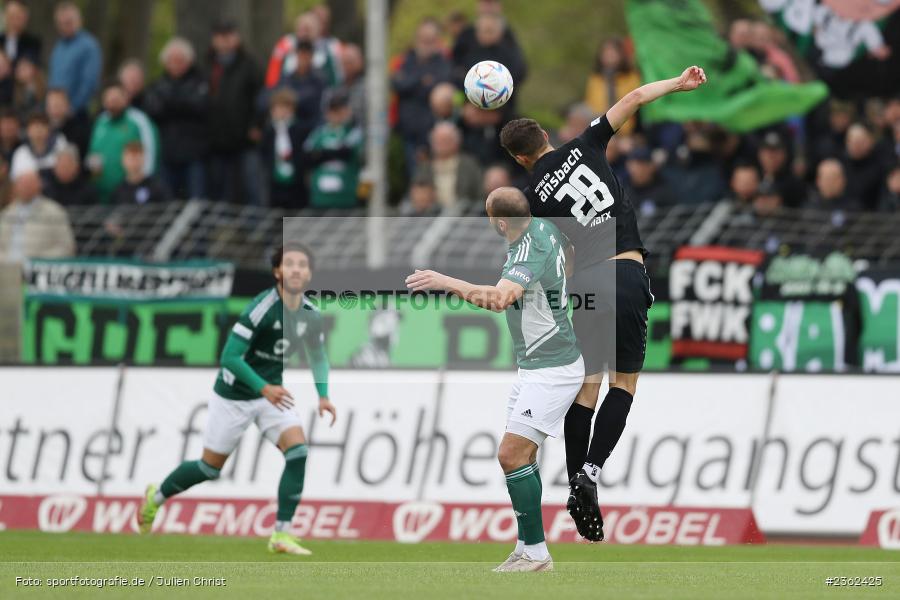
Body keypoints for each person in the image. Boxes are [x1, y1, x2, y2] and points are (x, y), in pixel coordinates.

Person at [498, 65, 707, 541]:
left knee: (586, 386)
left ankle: (573, 476)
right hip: (628, 270)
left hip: (588, 283)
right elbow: (632, 98)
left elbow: (550, 252)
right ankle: (590, 472)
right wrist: (677, 83)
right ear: (547, 136)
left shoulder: (533, 199)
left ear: (518, 157)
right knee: (625, 383)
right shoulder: (586, 143)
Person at [406, 187, 583, 572]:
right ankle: (526, 547)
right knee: (522, 457)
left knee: (510, 454)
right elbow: (569, 256)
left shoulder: (526, 249)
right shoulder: (545, 228)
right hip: (536, 364)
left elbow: (499, 299)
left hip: (553, 368)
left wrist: (444, 281)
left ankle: (537, 554)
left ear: (499, 222)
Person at [138, 242, 337, 556]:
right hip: (234, 396)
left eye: (303, 265)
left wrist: (323, 395)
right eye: (290, 264)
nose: (297, 269)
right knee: (209, 469)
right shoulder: (260, 309)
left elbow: (318, 355)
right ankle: (155, 498)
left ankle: (281, 535)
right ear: (277, 272)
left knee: (298, 451)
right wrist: (263, 388)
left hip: (271, 396)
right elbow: (229, 357)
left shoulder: (310, 315)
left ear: (309, 274)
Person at [144, 37, 209, 200]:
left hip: (194, 154)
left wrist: (170, 104)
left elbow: (199, 107)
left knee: (196, 199)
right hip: (167, 153)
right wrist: (181, 104)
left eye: (180, 60)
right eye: (172, 60)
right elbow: (154, 110)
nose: (176, 64)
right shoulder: (157, 84)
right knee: (167, 199)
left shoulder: (200, 82)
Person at [207, 20, 263, 205]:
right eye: (220, 36)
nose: (224, 41)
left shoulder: (249, 64)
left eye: (228, 35)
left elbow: (260, 98)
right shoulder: (209, 65)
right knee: (219, 187)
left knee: (250, 185)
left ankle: (255, 228)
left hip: (245, 140)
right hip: (216, 141)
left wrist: (257, 124)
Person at [392, 18, 451, 175]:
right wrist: (421, 80)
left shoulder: (444, 63)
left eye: (430, 40)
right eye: (422, 39)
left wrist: (412, 83)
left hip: (434, 134)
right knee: (416, 179)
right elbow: (397, 84)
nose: (425, 44)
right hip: (408, 134)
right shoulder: (405, 60)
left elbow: (441, 86)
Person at [87, 83, 159, 203]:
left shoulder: (138, 120)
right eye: (108, 99)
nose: (112, 103)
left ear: (125, 98)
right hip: (102, 193)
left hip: (131, 193)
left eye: (115, 99)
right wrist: (95, 180)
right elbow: (93, 152)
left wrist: (144, 184)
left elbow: (151, 151)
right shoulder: (100, 122)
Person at [303, 90, 363, 209]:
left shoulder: (353, 132)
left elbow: (347, 153)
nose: (337, 114)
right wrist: (332, 153)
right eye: (333, 110)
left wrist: (322, 154)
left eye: (341, 109)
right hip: (320, 198)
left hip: (346, 197)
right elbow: (308, 157)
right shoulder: (318, 133)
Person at [0, 169, 75, 261]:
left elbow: (67, 248)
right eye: (22, 183)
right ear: (15, 187)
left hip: (38, 269)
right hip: (6, 268)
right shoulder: (6, 213)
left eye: (29, 183)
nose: (25, 187)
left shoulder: (54, 211)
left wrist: (38, 261)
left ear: (39, 185)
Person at [414, 121, 481, 211]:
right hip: (431, 216)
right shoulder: (424, 167)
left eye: (446, 140)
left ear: (457, 142)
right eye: (437, 141)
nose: (441, 145)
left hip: (464, 216)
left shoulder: (469, 165)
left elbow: (479, 194)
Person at [48, 2, 101, 116]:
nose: (65, 27)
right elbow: (53, 79)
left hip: (77, 112)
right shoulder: (58, 47)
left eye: (69, 22)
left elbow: (89, 82)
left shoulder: (89, 46)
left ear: (79, 21)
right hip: (56, 113)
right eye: (61, 23)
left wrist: (72, 107)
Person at [260, 89, 307, 209]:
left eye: (285, 108)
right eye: (278, 108)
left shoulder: (299, 129)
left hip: (295, 182)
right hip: (275, 181)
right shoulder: (269, 131)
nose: (282, 112)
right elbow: (264, 152)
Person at [584, 38, 641, 135]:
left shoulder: (631, 77)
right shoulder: (595, 79)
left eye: (612, 51)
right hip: (598, 124)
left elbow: (636, 107)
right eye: (605, 52)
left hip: (624, 128)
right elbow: (589, 105)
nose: (609, 55)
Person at [45, 87, 91, 160]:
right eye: (52, 105)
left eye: (59, 105)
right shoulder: (43, 131)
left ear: (68, 106)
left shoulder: (80, 131)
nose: (55, 109)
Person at [0, 0, 41, 67]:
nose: (14, 21)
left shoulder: (32, 42)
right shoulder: (1, 40)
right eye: (11, 17)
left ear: (25, 18)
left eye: (18, 17)